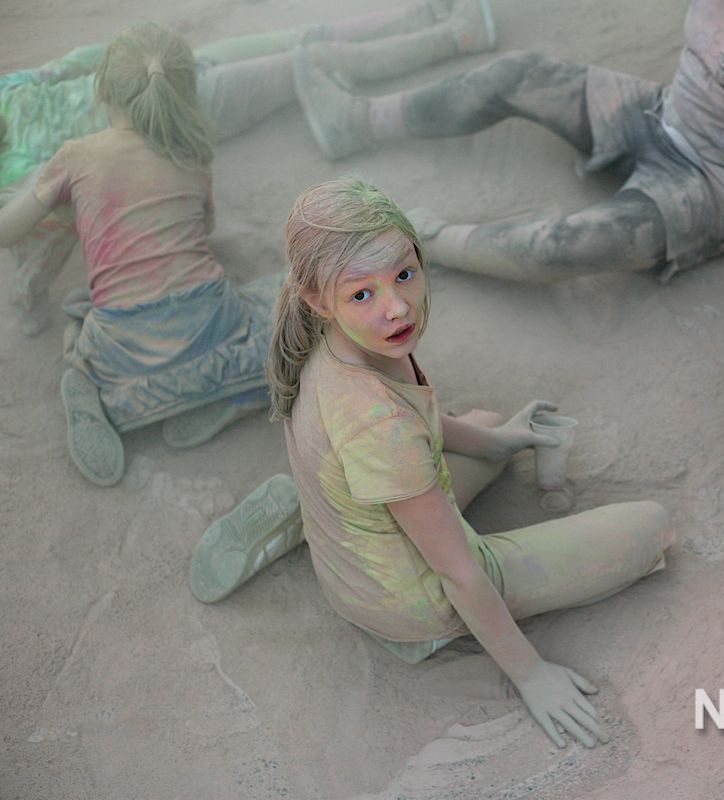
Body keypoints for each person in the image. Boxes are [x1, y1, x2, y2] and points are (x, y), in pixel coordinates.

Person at [188, 176, 674, 749]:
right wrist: (531, 674)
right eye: (362, 294)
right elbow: (459, 573)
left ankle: (313, 508)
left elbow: (419, 423)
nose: (397, 307)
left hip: (357, 546)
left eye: (404, 274)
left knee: (485, 424)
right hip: (409, 597)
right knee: (651, 527)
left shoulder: (336, 337)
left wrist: (493, 444)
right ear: (318, 299)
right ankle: (416, 630)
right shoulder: (378, 424)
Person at [0, 0, 496, 334]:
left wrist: (125, 61)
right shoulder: (11, 173)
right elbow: (60, 210)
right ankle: (453, 35)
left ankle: (421, 13)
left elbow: (72, 62)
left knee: (296, 39)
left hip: (160, 73)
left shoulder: (1, 92)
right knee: (306, 60)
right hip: (179, 104)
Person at [289, 0, 724, 283]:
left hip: (723, 189)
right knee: (517, 75)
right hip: (661, 112)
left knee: (558, 246)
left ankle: (421, 240)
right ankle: (356, 122)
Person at [0, 23, 275, 486]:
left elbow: (1, 233)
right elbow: (205, 229)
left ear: (103, 90)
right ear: (182, 94)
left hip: (120, 345)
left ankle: (86, 384)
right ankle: (231, 395)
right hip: (209, 323)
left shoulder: (76, 155)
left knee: (81, 318)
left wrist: (47, 196)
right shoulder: (192, 154)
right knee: (279, 311)